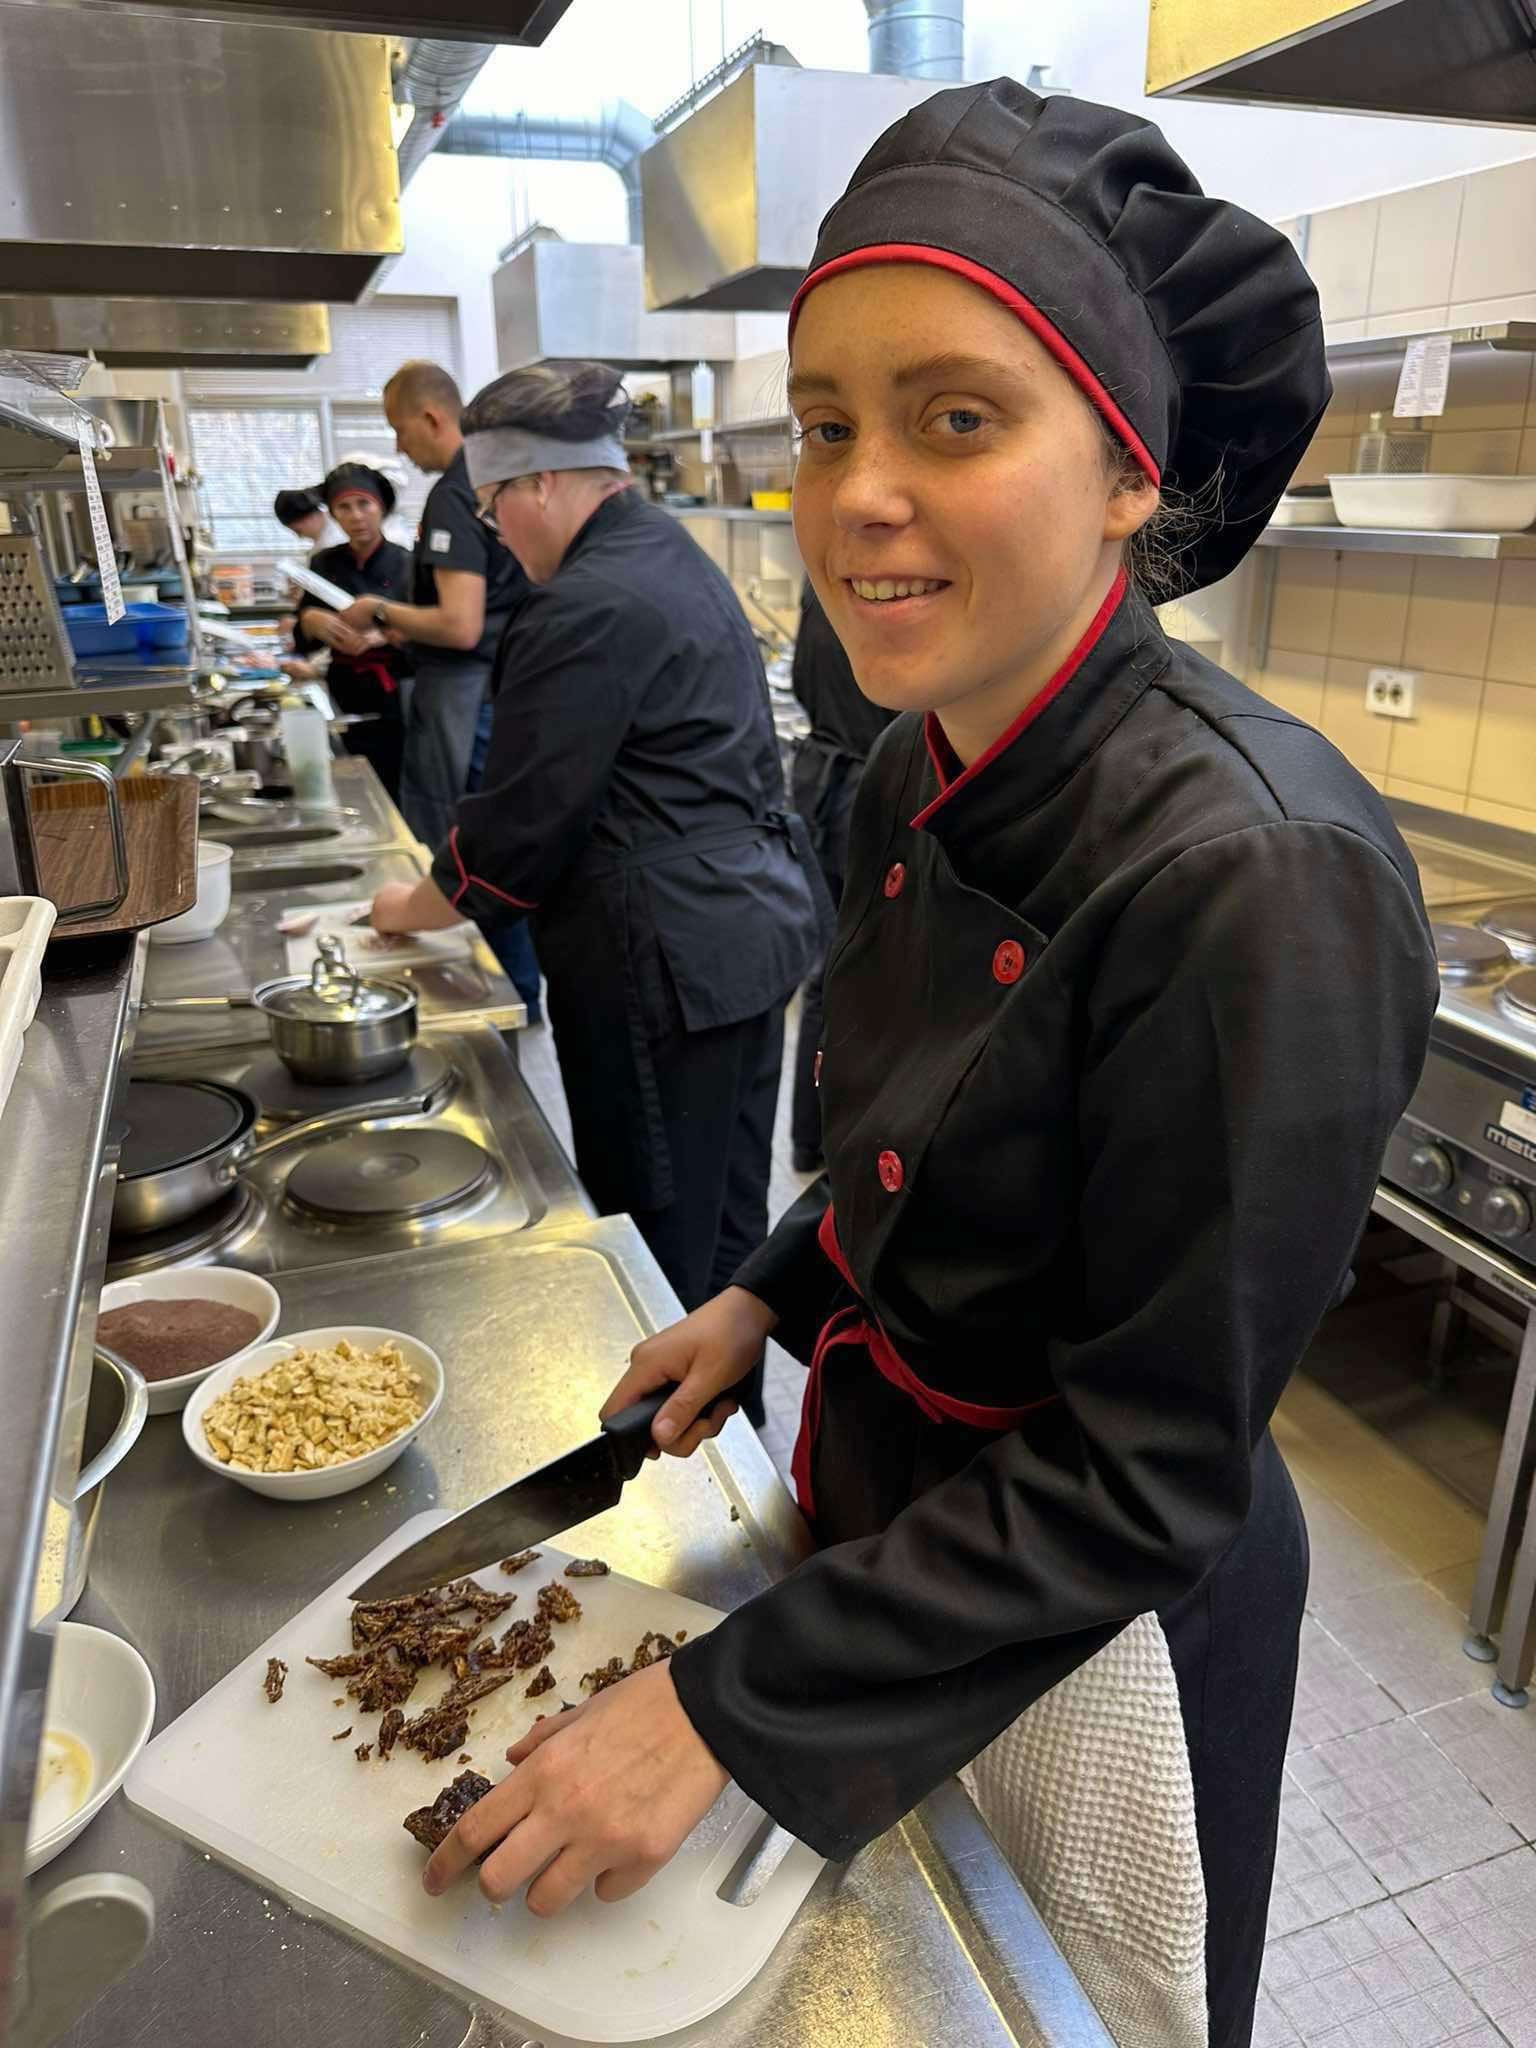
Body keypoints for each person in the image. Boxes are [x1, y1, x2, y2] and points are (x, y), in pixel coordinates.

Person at [414, 82, 1439, 2048]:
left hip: (1099, 1614)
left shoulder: (1255, 874)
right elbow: (917, 1138)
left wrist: (725, 1705)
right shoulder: (910, 759)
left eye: (955, 418)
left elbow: (1148, 1467)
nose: (858, 493)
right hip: (899, 1521)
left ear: (1130, 472)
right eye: (826, 426)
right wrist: (767, 1291)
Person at [367, 362, 821, 1379]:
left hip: (662, 965)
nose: (495, 533)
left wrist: (411, 905)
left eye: (492, 505)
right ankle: (730, 1429)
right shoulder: (667, 550)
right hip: (743, 940)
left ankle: (674, 1448)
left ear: (539, 484)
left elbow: (518, 826)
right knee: (728, 1228)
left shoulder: (584, 603)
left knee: (656, 1233)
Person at [329, 360, 543, 1019]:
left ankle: (507, 995)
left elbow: (460, 623)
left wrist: (378, 610)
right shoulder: (490, 483)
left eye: (399, 429)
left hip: (468, 700)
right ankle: (517, 989)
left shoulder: (454, 493)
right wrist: (399, 633)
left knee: (474, 850)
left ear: (431, 417)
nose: (398, 447)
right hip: (495, 689)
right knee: (493, 845)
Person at [786, 579, 894, 1172]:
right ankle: (840, 1145)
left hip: (818, 787)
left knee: (826, 973)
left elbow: (804, 683)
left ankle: (810, 1139)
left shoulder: (823, 585)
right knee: (862, 976)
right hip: (862, 792)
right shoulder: (896, 603)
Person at [291, 464, 411, 803]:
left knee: (395, 783)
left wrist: (384, 636)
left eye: (364, 504)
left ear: (381, 508)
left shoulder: (408, 563)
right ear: (332, 514)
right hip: (342, 690)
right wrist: (309, 620)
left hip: (395, 694)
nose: (356, 516)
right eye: (344, 507)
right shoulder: (324, 564)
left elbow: (428, 629)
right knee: (349, 781)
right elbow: (303, 637)